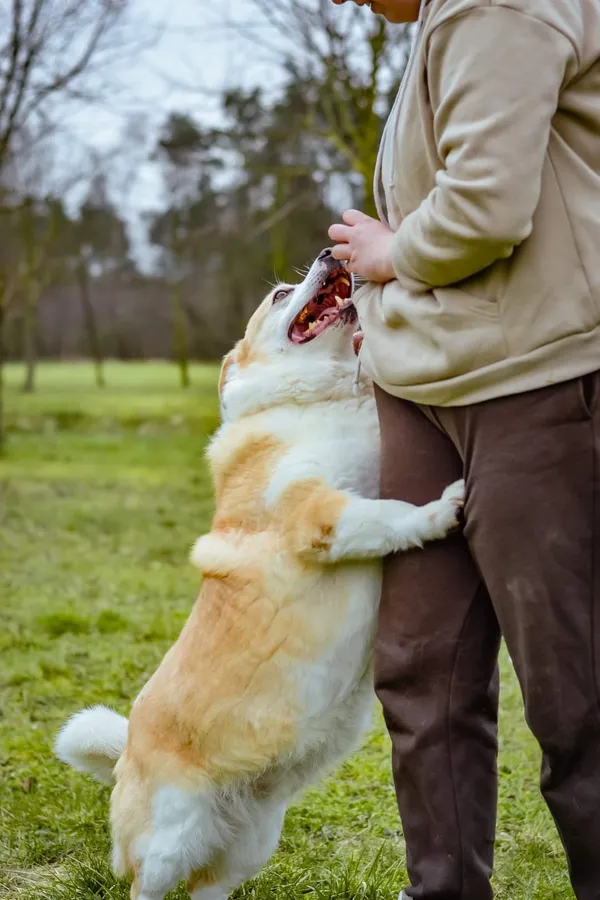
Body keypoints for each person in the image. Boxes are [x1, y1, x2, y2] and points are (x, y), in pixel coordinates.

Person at [327, 1, 600, 899]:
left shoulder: (500, 3)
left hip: (540, 381)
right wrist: (381, 313)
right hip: (425, 394)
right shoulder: (439, 17)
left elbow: (483, 210)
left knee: (576, 692)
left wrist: (387, 254)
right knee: (421, 672)